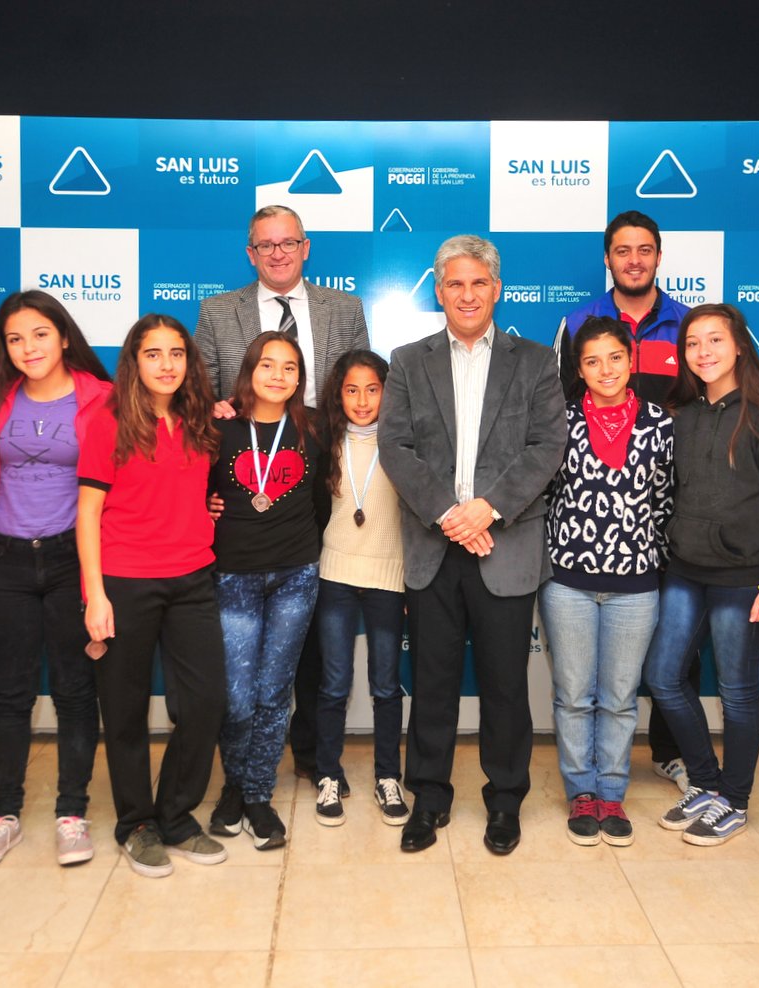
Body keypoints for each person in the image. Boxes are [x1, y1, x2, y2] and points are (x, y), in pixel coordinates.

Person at [378, 234, 565, 856]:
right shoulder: (407, 360)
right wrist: (448, 513)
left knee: (506, 686)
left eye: (478, 283)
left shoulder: (536, 361)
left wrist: (487, 508)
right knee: (430, 683)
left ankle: (505, 800)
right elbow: (395, 448)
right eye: (454, 283)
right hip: (436, 546)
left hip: (504, 543)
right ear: (438, 290)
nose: (466, 294)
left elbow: (546, 447)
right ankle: (429, 797)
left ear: (497, 289)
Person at [195, 204, 370, 789]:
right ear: (250, 252)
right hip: (246, 497)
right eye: (264, 245)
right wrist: (212, 411)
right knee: (247, 667)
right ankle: (245, 771)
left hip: (322, 486)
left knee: (313, 636)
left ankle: (316, 758)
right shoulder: (218, 313)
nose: (277, 253)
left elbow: (359, 391)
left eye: (287, 242)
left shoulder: (344, 310)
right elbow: (194, 394)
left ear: (306, 246)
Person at [643, 303, 759, 847]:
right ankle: (707, 785)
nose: (703, 352)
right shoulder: (680, 415)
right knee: (664, 677)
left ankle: (735, 800)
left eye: (715, 341)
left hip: (744, 578)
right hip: (685, 571)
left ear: (738, 347)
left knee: (737, 692)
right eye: (693, 343)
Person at [78, 314, 230, 878]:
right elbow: (87, 511)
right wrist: (95, 595)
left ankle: (175, 815)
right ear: (134, 362)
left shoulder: (199, 422)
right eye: (153, 354)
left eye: (176, 353)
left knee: (205, 703)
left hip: (192, 579)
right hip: (124, 581)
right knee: (124, 711)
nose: (166, 364)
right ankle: (136, 824)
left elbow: (194, 491)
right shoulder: (108, 421)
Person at [0, 291, 111, 868]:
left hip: (70, 558)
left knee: (76, 691)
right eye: (15, 338)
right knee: (10, 694)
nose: (28, 348)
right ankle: (4, 814)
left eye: (40, 335)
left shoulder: (103, 398)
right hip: (2, 560)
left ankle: (71, 813)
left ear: (65, 337)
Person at [551, 210, 696, 795]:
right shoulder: (579, 320)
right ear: (607, 258)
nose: (633, 259)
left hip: (646, 558)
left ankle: (652, 763)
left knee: (643, 682)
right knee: (576, 691)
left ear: (659, 255)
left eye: (644, 250)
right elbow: (554, 431)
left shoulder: (687, 325)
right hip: (572, 570)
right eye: (621, 250)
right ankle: (582, 788)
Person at [540, 316, 673, 848]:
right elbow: (545, 496)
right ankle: (580, 791)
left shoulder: (662, 424)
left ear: (632, 359)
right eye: (592, 361)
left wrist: (648, 559)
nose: (605, 369)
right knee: (574, 694)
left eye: (615, 357)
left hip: (637, 586)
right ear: (579, 368)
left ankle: (612, 791)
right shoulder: (559, 422)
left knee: (619, 697)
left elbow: (666, 502)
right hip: (567, 581)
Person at [207, 331, 325, 850]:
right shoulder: (219, 426)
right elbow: (194, 489)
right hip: (233, 575)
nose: (279, 375)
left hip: (296, 575)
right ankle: (234, 781)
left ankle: (255, 792)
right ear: (249, 369)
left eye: (290, 367)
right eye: (268, 365)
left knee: (275, 692)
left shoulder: (313, 428)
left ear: (300, 378)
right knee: (235, 698)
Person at [311, 350, 409, 827]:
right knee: (332, 684)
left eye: (373, 389)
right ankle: (327, 774)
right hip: (335, 576)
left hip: (389, 577)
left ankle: (388, 776)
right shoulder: (324, 442)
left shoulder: (401, 443)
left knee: (387, 686)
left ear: (388, 392)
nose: (363, 399)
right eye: (352, 390)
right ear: (338, 394)